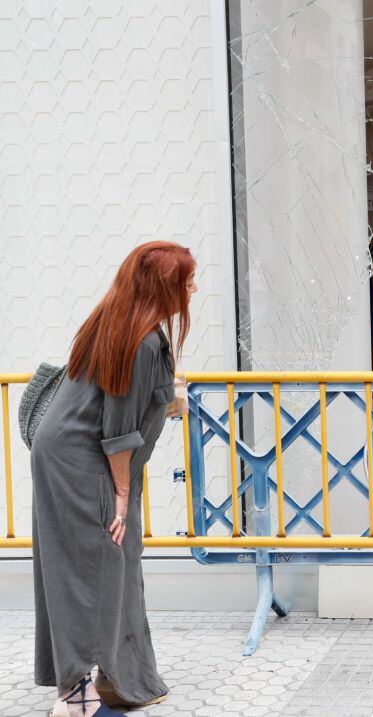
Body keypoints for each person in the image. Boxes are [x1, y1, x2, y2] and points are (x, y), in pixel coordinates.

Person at [32, 242, 197, 717]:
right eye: (186, 281)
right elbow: (118, 433)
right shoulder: (142, 340)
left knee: (103, 561)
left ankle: (119, 679)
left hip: (64, 450)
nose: (193, 288)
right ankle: (76, 699)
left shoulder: (116, 319)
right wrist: (121, 495)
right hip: (80, 461)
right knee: (93, 568)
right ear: (164, 288)